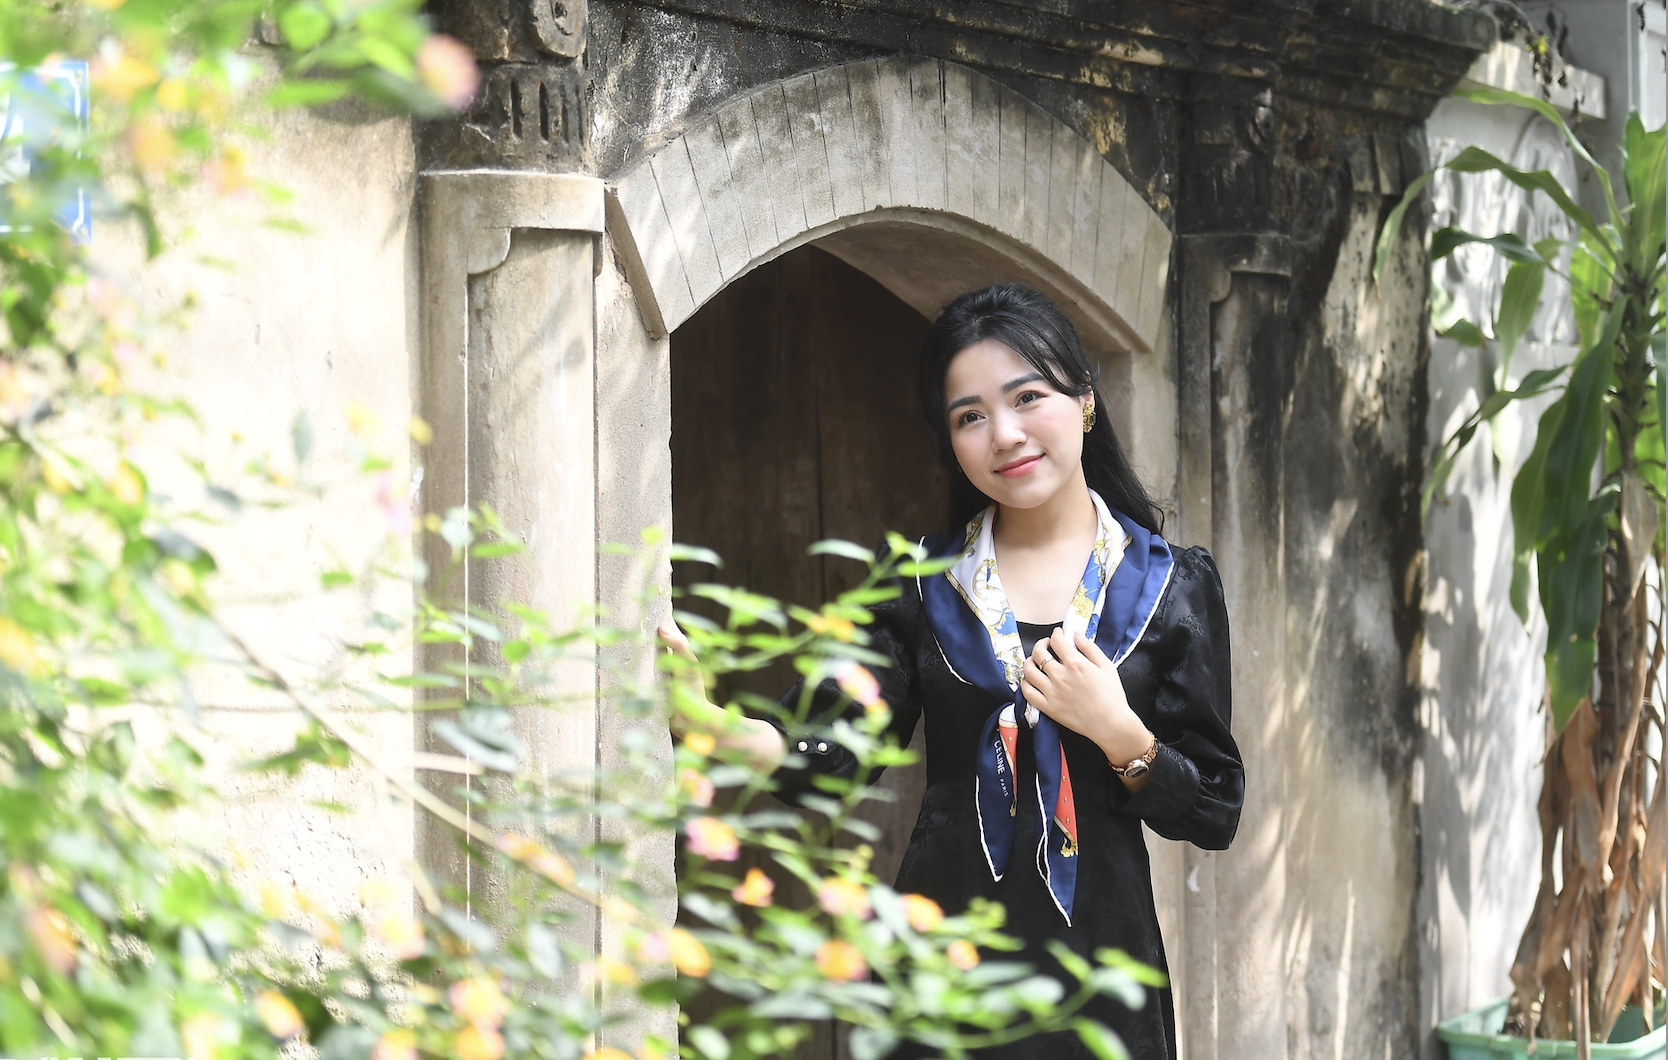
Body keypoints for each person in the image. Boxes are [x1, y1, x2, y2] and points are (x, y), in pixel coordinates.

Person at [659, 282, 1243, 1060]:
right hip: (940, 971)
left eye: (1026, 397)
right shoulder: (925, 584)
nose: (1004, 434)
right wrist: (711, 726)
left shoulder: (1171, 585)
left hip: (1103, 979)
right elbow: (833, 751)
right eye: (970, 416)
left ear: (1085, 399)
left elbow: (1211, 809)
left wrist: (1117, 730)